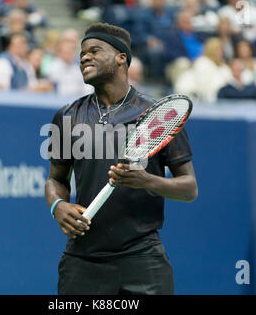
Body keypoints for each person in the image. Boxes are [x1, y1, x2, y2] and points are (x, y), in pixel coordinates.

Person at [45, 22, 198, 295]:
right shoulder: (66, 116)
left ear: (121, 58)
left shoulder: (158, 115)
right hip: (82, 261)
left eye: (94, 51)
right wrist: (58, 205)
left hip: (143, 259)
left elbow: (189, 188)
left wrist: (146, 180)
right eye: (81, 54)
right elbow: (55, 180)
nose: (84, 57)